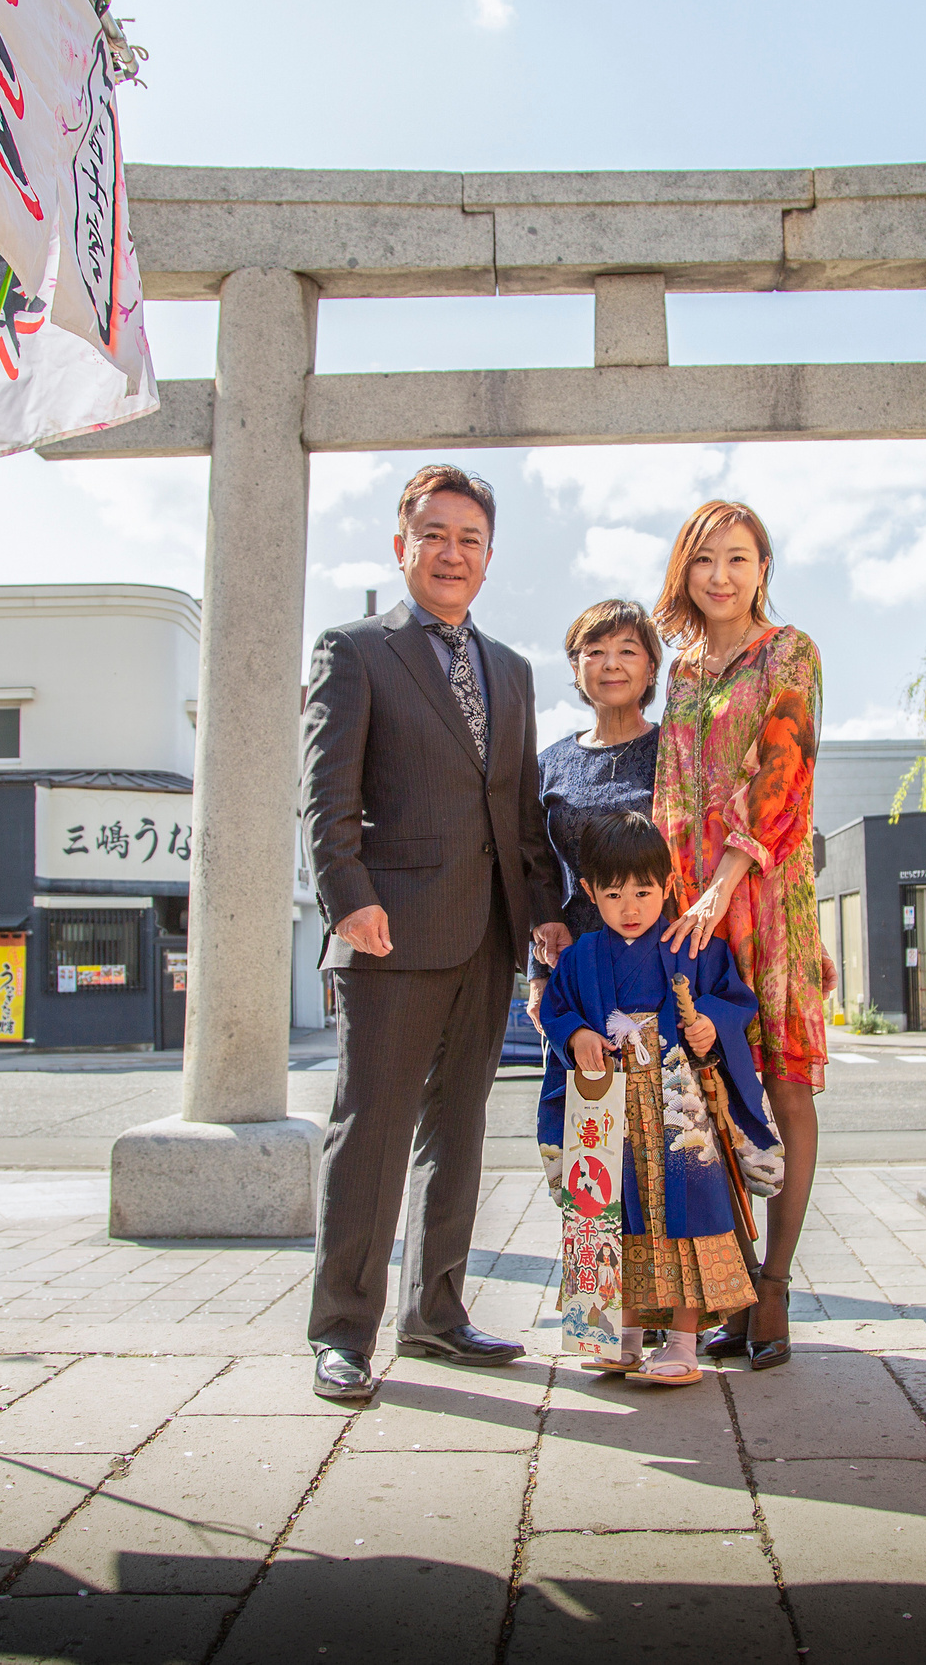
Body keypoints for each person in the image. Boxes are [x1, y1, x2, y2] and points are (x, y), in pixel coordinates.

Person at [299, 464, 567, 1403]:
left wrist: (542, 914)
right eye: (436, 534)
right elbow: (325, 798)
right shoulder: (355, 649)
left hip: (488, 935)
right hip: (388, 934)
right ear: (402, 544)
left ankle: (437, 1312)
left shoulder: (514, 671)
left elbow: (520, 810)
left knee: (455, 1131)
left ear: (489, 559)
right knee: (369, 1132)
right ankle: (341, 1330)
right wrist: (348, 898)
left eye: (471, 539)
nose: (453, 552)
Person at [652, 499, 827, 1371]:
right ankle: (739, 1282)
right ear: (685, 572)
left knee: (784, 1087)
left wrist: (725, 883)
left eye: (739, 557)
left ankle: (779, 1288)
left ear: (763, 566)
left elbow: (785, 773)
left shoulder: (790, 651)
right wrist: (679, 900)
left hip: (762, 890)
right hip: (695, 908)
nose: (721, 574)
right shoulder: (681, 670)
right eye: (705, 560)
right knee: (713, 1091)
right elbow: (671, 787)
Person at [535, 812, 779, 1385]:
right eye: (614, 893)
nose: (631, 907)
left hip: (678, 1107)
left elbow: (732, 999)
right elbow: (556, 1010)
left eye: (644, 891)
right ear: (590, 892)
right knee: (613, 1215)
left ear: (667, 887)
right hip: (610, 1106)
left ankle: (683, 1340)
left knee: (686, 1217)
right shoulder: (581, 957)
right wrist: (577, 1033)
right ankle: (617, 1337)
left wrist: (709, 1025)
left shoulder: (690, 945)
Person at [527, 599, 663, 1022]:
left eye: (627, 650)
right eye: (595, 651)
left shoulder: (678, 753)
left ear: (651, 669)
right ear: (575, 668)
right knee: (584, 1085)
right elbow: (538, 869)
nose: (610, 664)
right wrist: (537, 975)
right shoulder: (549, 763)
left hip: (664, 960)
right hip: (574, 965)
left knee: (668, 1087)